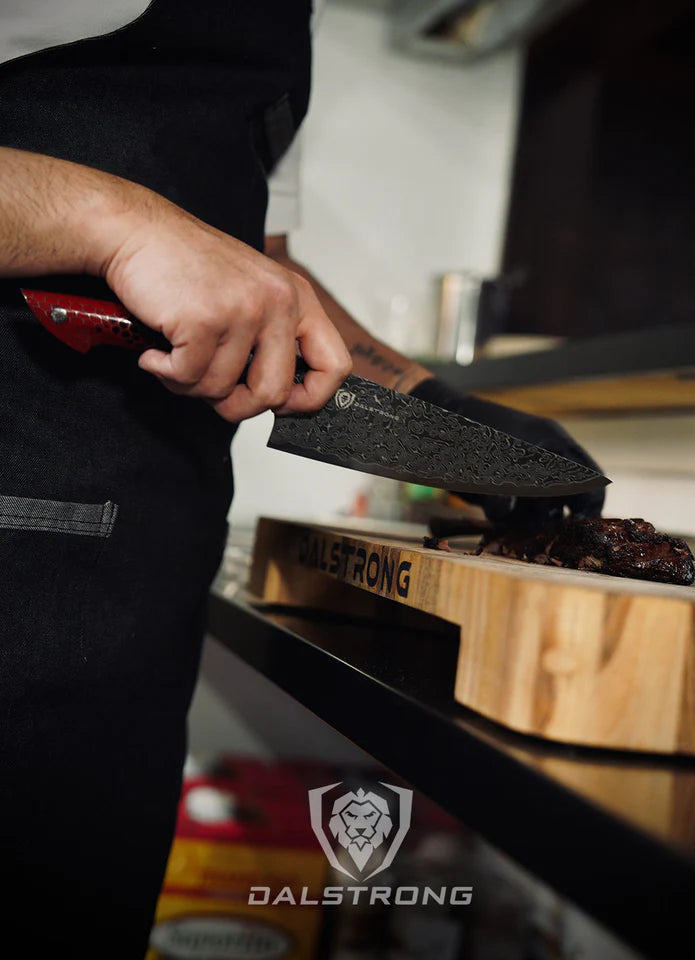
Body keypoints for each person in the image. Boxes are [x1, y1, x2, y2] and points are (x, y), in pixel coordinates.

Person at [0, 2, 603, 956]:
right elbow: (159, 238)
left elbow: (258, 271)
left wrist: (437, 414)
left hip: (138, 581)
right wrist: (109, 220)